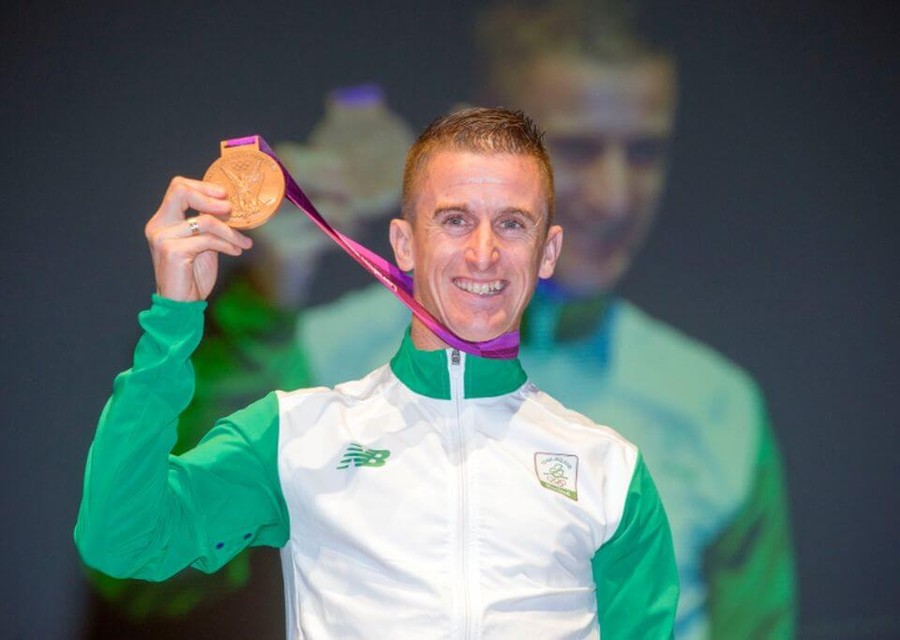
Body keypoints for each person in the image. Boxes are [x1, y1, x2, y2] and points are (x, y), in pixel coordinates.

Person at [75, 107, 679, 639]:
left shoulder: (609, 470)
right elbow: (121, 539)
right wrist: (173, 322)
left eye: (513, 223)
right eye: (455, 220)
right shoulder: (297, 435)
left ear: (547, 252)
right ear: (404, 243)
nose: (483, 253)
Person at [298, 3, 796, 639]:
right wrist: (249, 313)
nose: (614, 197)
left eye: (643, 153)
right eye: (576, 148)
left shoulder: (719, 407)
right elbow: (161, 583)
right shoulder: (318, 364)